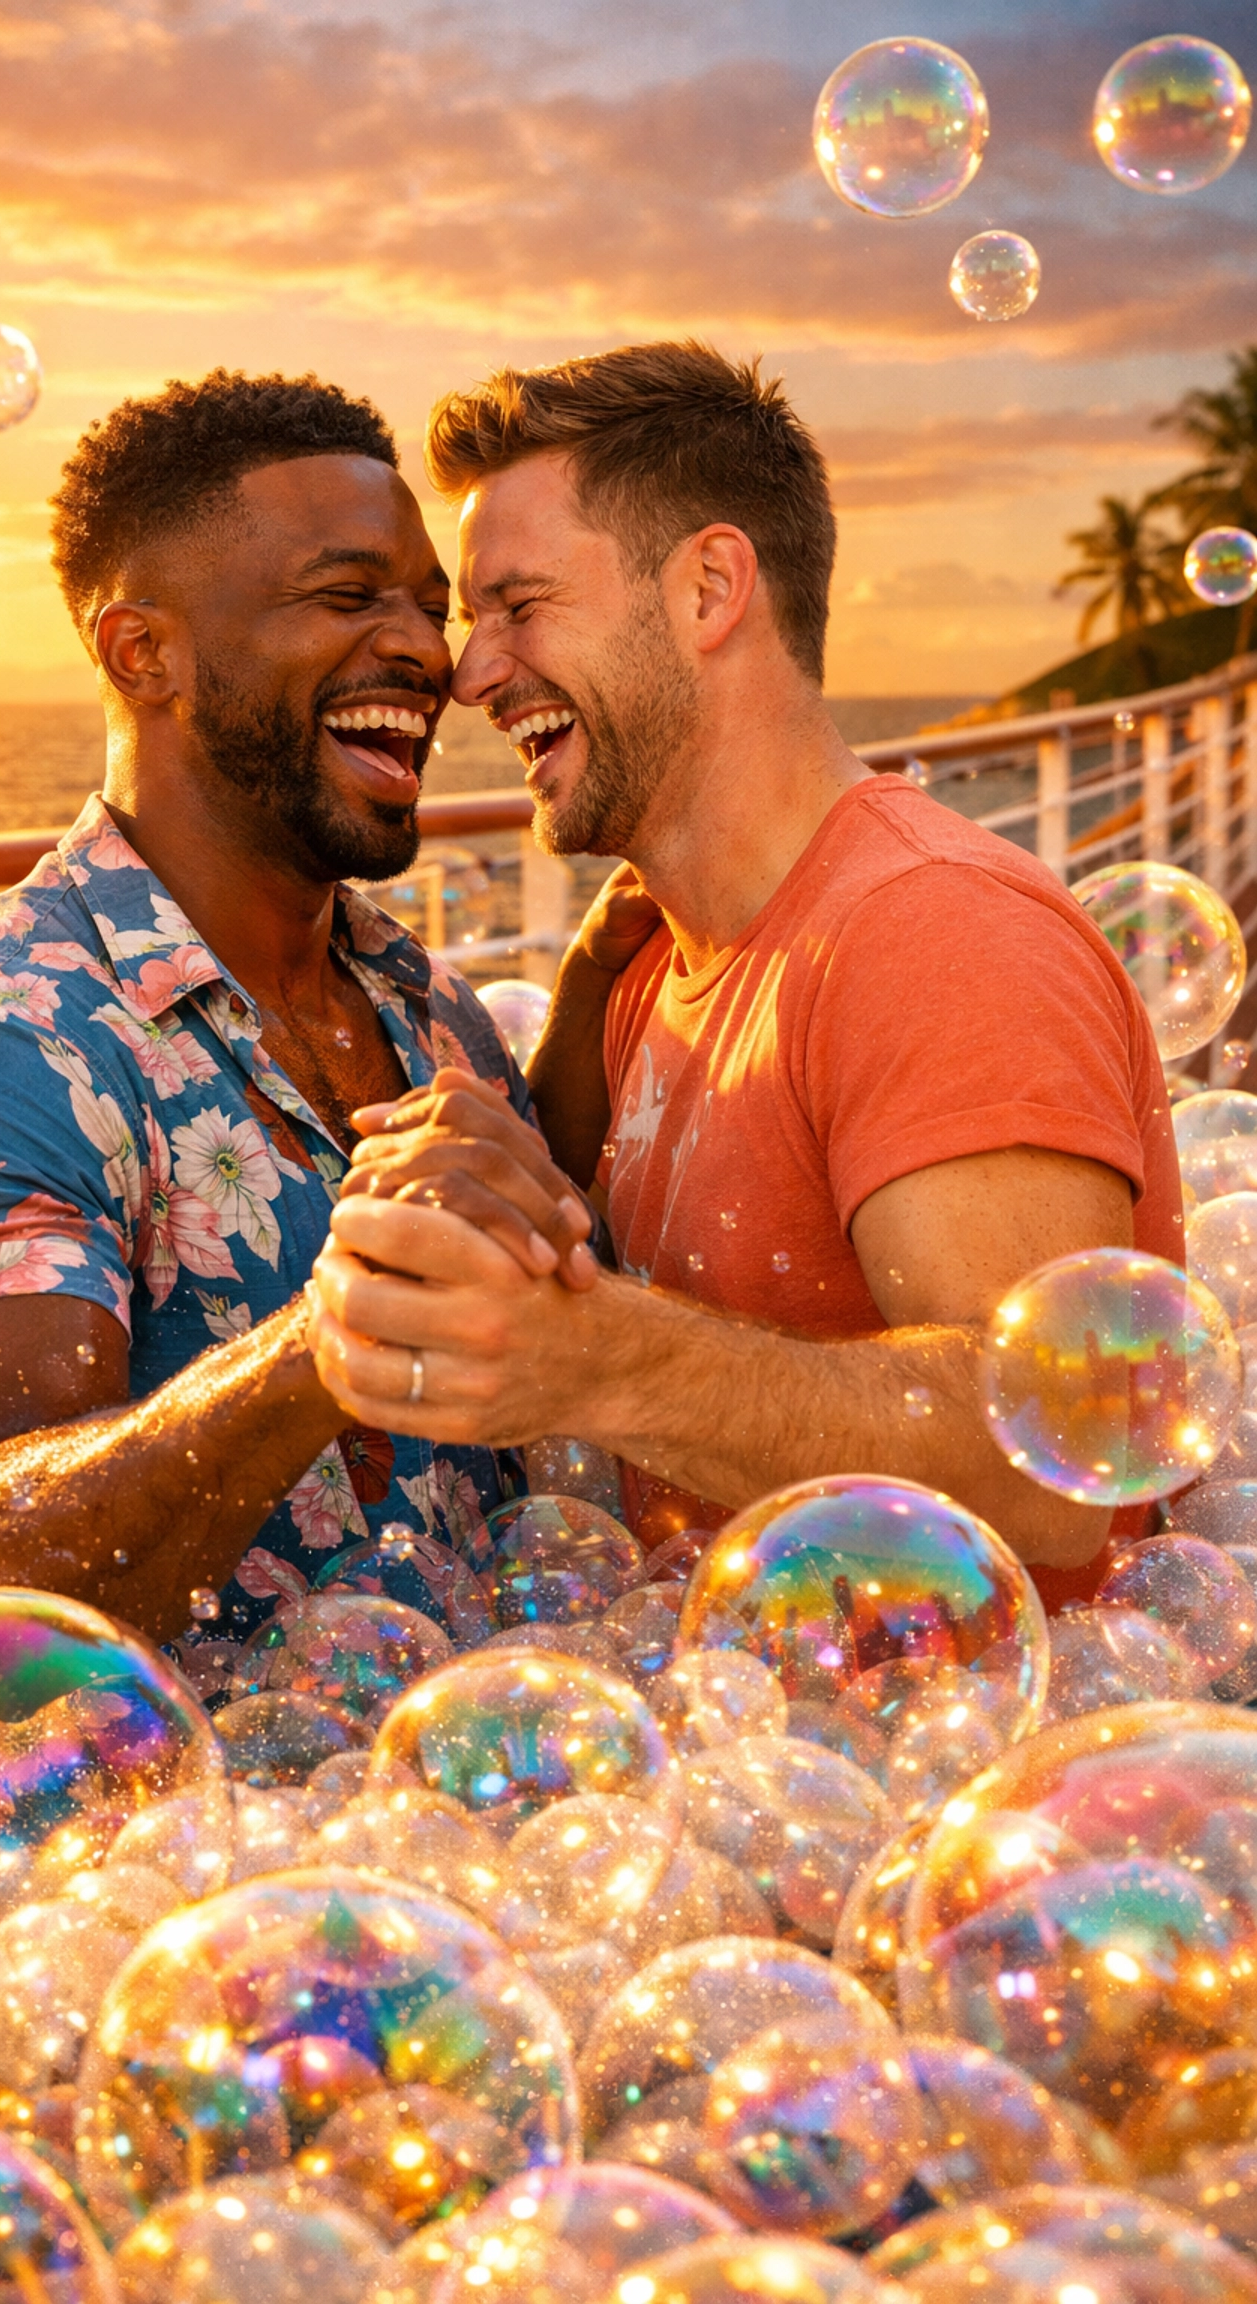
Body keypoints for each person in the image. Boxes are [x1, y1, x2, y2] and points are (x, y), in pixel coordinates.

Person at [306, 339, 1183, 1599]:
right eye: (471, 620)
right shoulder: (655, 960)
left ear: (711, 587)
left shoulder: (933, 932)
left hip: (957, 1758)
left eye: (519, 606)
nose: (470, 673)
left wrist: (599, 1361)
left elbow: (1055, 1468)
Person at [0, 368, 594, 1649]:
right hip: (200, 1837)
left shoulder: (432, 1007)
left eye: (425, 607)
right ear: (145, 651)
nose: (426, 653)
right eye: (346, 597)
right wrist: (335, 1332)